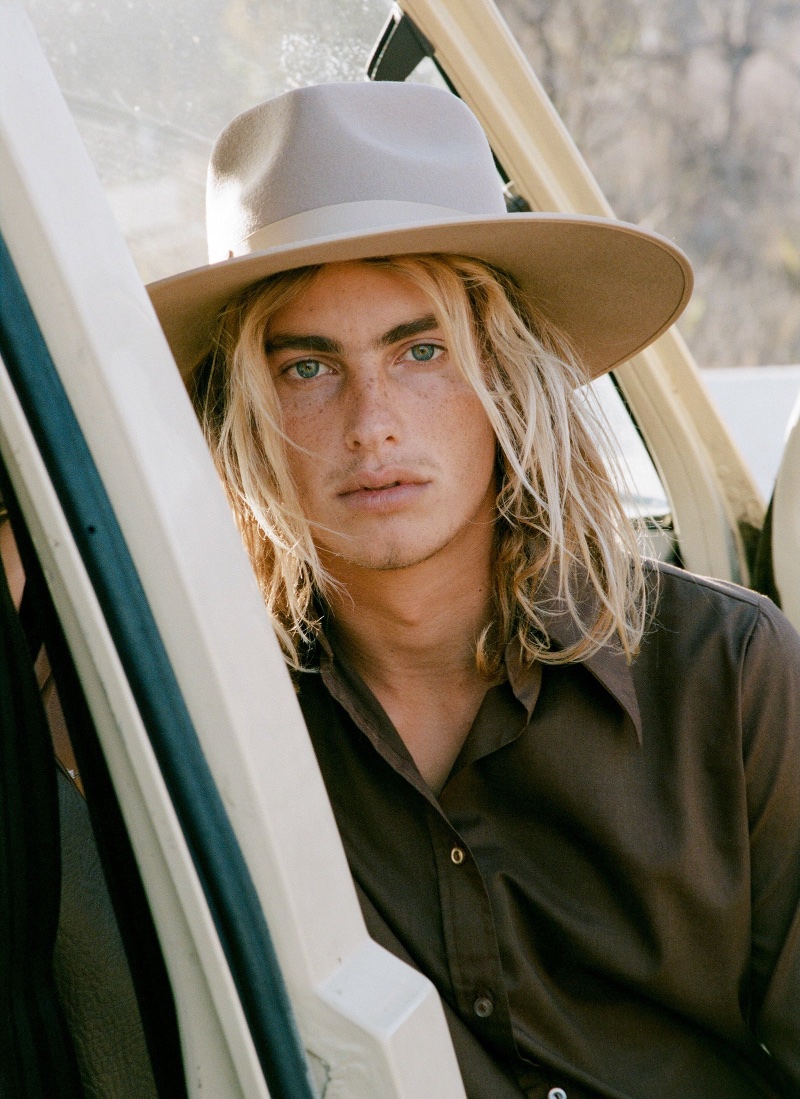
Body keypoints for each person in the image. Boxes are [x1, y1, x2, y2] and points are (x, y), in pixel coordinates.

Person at [148, 82, 800, 1099]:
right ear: (243, 410)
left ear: (509, 378)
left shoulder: (725, 672)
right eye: (308, 368)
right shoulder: (196, 713)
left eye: (421, 350)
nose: (372, 424)